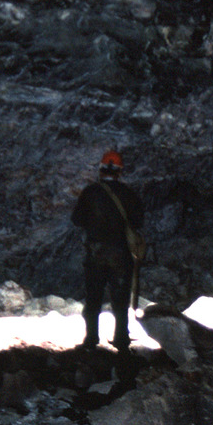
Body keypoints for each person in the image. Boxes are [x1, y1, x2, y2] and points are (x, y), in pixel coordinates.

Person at [71, 150, 145, 351]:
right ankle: (121, 339)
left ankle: (91, 340)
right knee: (120, 300)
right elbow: (138, 221)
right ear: (120, 172)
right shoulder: (128, 194)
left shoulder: (91, 192)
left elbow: (76, 219)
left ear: (101, 169)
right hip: (121, 254)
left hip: (96, 253)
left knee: (93, 297)